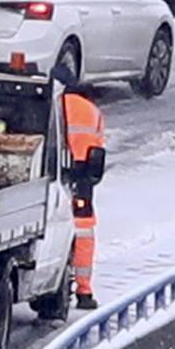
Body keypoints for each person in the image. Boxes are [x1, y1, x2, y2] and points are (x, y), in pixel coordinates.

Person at [59, 77, 106, 310]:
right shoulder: (93, 112)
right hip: (82, 179)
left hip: (53, 173)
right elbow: (97, 153)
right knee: (84, 233)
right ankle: (84, 291)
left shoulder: (55, 102)